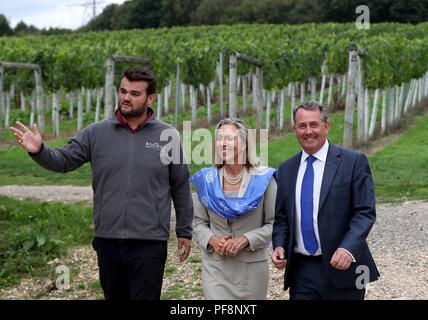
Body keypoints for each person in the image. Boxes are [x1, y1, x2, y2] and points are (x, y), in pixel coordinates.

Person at [9, 67, 194, 300]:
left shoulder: (168, 136)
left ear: (150, 98)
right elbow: (64, 160)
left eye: (135, 94)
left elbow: (180, 186)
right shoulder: (96, 133)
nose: (126, 98)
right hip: (108, 241)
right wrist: (40, 151)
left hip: (149, 243)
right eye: (123, 91)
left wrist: (185, 230)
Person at [271, 100, 379, 300]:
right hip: (301, 271)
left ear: (326, 127)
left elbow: (365, 212)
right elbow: (282, 217)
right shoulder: (286, 169)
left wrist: (348, 248)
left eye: (314, 125)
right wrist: (279, 244)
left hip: (345, 267)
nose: (308, 131)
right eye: (302, 126)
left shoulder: (353, 162)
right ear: (295, 129)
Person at [190, 118, 277, 300]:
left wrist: (246, 238)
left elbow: (274, 223)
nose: (223, 143)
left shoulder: (264, 179)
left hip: (252, 268)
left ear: (245, 144)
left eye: (229, 138)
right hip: (215, 267)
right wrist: (212, 239)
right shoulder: (206, 180)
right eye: (219, 138)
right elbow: (199, 223)